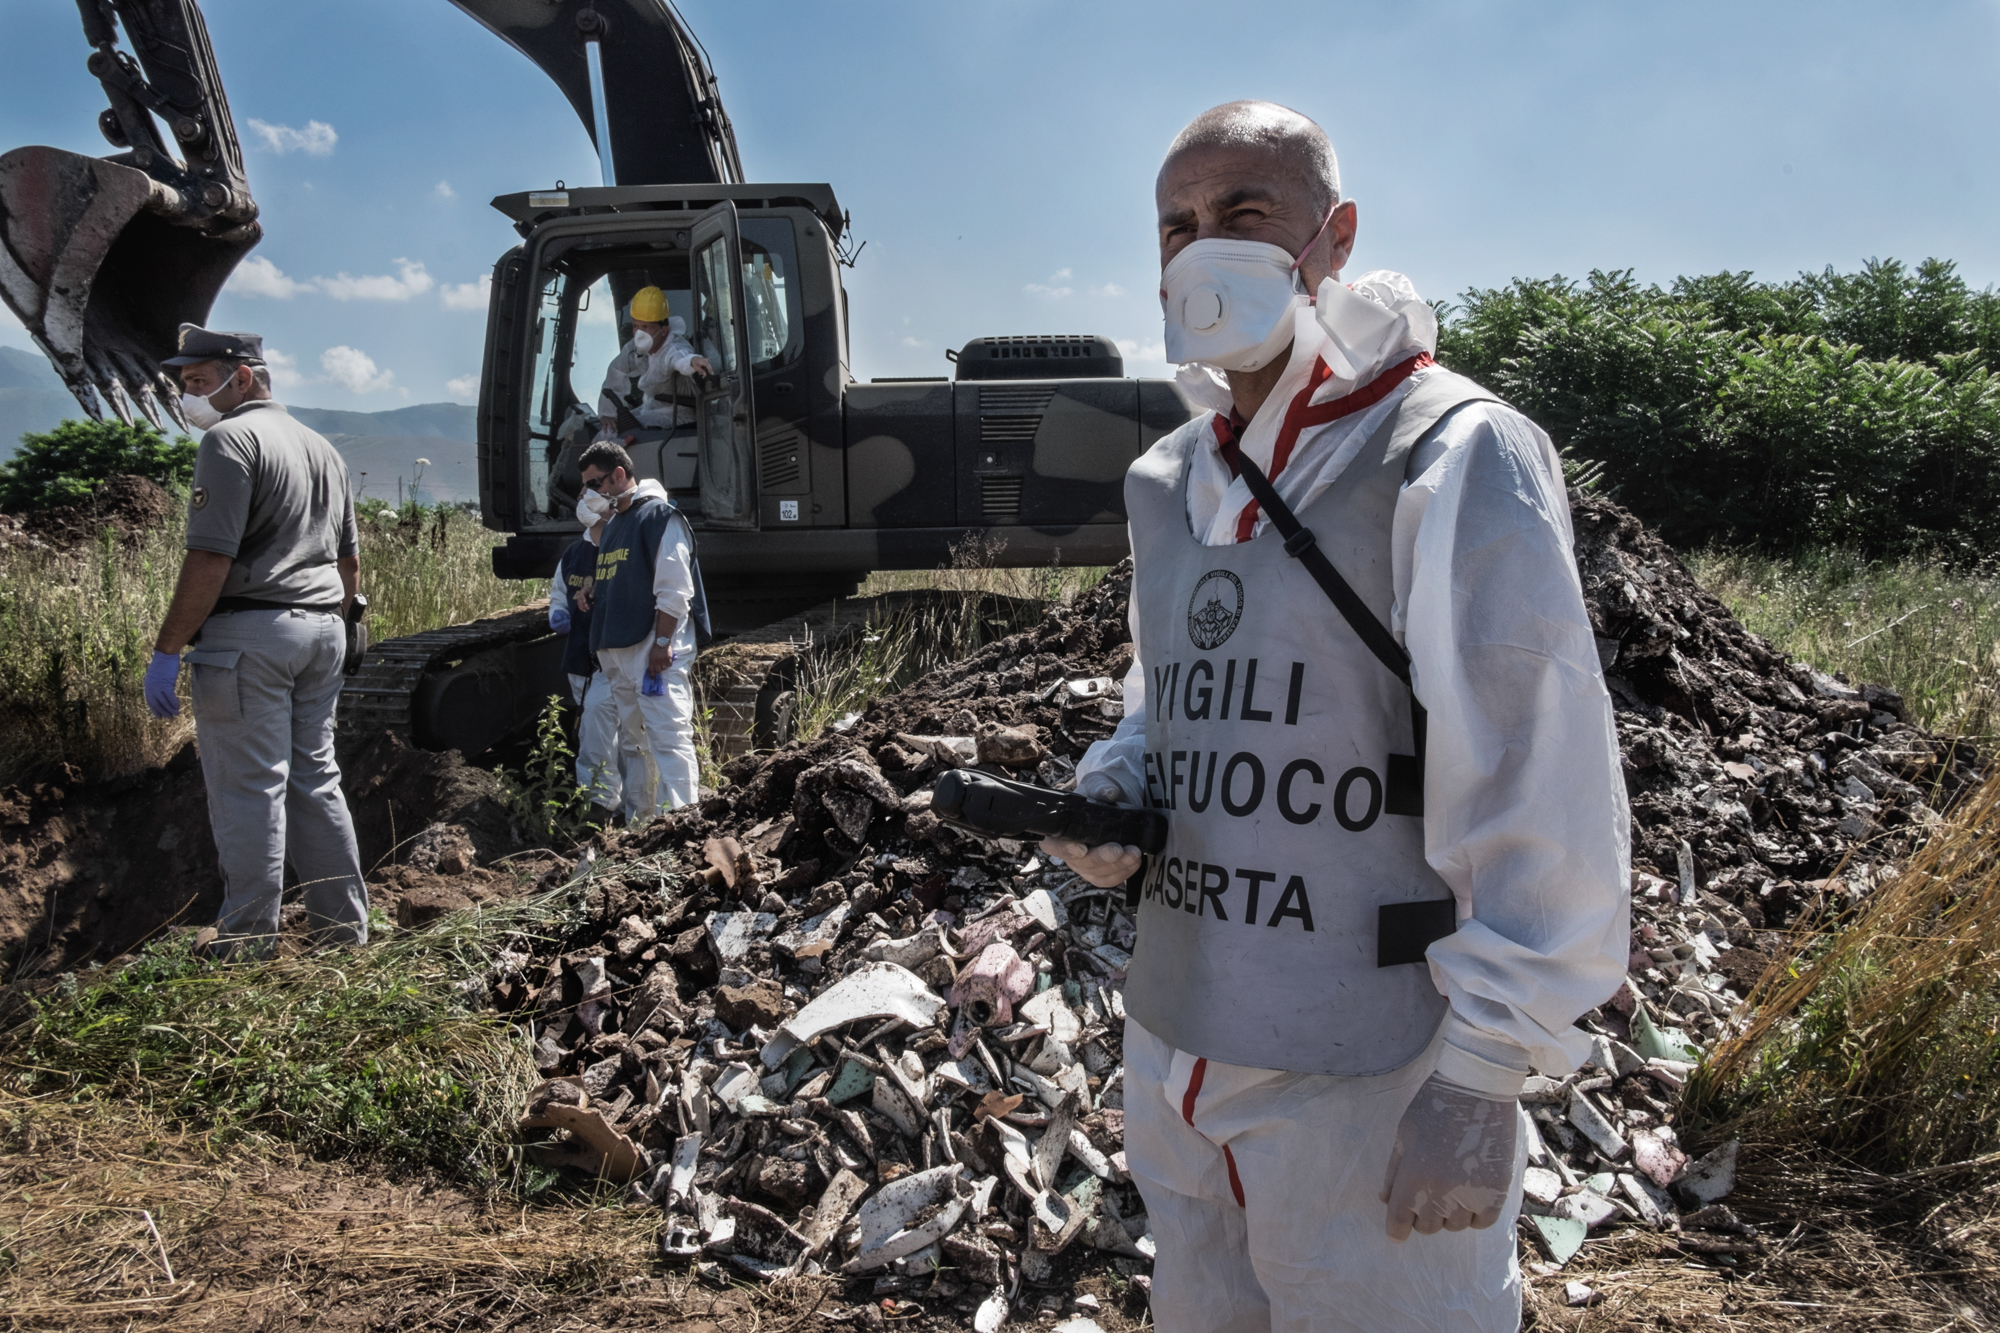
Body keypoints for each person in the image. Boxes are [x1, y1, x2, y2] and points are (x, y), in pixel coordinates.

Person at [1041, 103, 1630, 1332]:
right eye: (1178, 223)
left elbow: (1541, 779)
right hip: (1182, 1049)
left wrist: (1479, 1077)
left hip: (1366, 1075)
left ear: (1334, 235)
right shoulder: (1176, 476)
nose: (1204, 247)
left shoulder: (1451, 450)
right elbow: (1177, 699)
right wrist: (1118, 781)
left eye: (1244, 212)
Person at [142, 324, 370, 961]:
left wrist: (167, 649)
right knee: (315, 784)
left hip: (250, 637)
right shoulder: (323, 448)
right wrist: (349, 621)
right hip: (323, 631)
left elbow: (209, 560)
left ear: (241, 376)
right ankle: (344, 939)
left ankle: (246, 948)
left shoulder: (230, 438)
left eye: (196, 381)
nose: (188, 397)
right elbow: (350, 563)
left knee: (250, 790)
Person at [578, 439, 710, 815]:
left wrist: (663, 642)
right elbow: (622, 574)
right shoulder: (616, 523)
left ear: (619, 476)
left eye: (595, 483)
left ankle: (680, 823)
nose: (590, 493)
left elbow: (674, 589)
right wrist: (593, 587)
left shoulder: (658, 517)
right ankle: (642, 824)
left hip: (651, 649)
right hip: (619, 650)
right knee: (633, 742)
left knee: (667, 736)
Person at [548, 495, 652, 820]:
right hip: (585, 660)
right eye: (599, 526)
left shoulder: (625, 551)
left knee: (614, 729)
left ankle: (615, 807)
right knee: (602, 730)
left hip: (617, 657)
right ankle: (611, 807)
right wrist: (558, 614)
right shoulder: (575, 557)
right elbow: (557, 593)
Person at [597, 285, 712, 435]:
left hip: (678, 418)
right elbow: (617, 371)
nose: (639, 333)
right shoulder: (634, 348)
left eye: (645, 327)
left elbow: (680, 358)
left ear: (663, 330)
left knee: (614, 436)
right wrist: (607, 412)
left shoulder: (673, 347)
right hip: (652, 410)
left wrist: (692, 361)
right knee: (608, 430)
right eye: (635, 326)